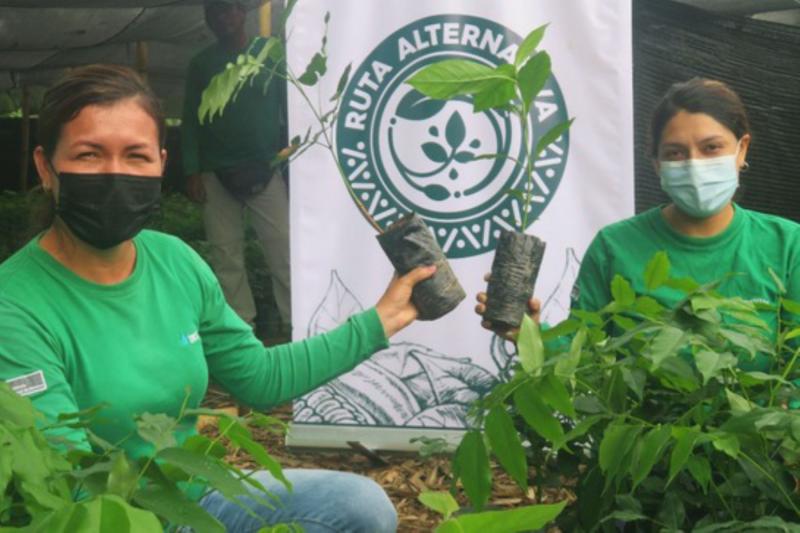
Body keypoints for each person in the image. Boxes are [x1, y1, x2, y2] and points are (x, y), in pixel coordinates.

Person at [0, 64, 435, 532]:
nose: (114, 173)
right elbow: (66, 484)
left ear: (162, 165)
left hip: (191, 499)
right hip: (104, 518)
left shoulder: (174, 262)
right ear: (46, 168)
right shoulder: (16, 304)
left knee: (357, 505)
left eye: (136, 156)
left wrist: (382, 320)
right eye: (88, 155)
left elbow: (259, 378)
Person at [477, 78, 800, 354]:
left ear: (741, 149)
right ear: (657, 163)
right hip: (642, 428)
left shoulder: (786, 246)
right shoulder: (616, 247)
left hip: (756, 429)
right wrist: (529, 335)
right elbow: (585, 359)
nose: (694, 164)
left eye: (711, 148)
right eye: (675, 153)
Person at [181, 0, 291, 329]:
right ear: (208, 21)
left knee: (283, 249)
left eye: (230, 10)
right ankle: (242, 329)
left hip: (266, 168)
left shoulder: (269, 54)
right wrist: (192, 170)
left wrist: (290, 155)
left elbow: (291, 105)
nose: (224, 18)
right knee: (226, 255)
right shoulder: (202, 63)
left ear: (244, 13)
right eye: (215, 13)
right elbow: (189, 120)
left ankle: (296, 324)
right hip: (216, 172)